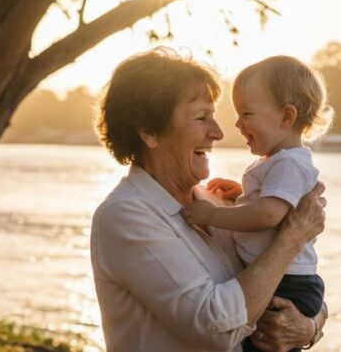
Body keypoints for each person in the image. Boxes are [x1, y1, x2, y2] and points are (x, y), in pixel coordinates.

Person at [90, 48, 328, 352]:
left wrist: (308, 328)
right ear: (149, 131)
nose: (218, 133)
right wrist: (292, 237)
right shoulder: (125, 215)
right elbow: (216, 327)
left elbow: (295, 279)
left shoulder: (221, 205)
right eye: (202, 118)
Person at [183, 56, 332, 352]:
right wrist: (242, 194)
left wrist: (213, 214)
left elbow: (268, 215)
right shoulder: (279, 162)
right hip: (285, 280)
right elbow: (273, 205)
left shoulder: (289, 163)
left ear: (286, 117)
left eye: (246, 114)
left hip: (288, 285)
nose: (237, 125)